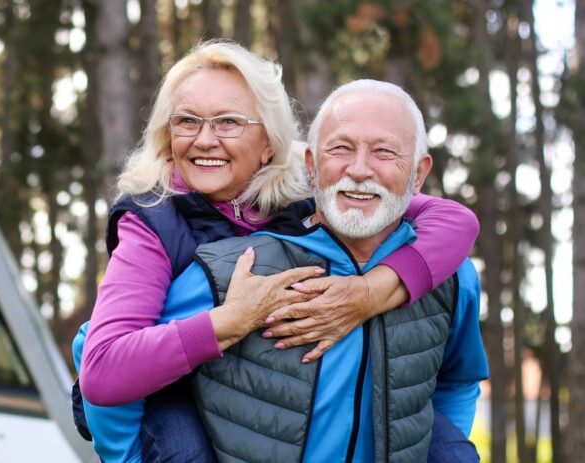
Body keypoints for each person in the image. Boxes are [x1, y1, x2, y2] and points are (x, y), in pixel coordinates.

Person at [72, 41, 479, 462]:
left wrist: (370, 293)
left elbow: (455, 222)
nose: (206, 139)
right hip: (161, 395)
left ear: (269, 143)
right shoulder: (154, 220)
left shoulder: (300, 201)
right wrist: (228, 322)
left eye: (229, 122)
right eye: (187, 121)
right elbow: (97, 359)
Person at [178, 79, 489, 462]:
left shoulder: (454, 277)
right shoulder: (233, 270)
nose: (359, 170)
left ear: (419, 173)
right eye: (340, 148)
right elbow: (101, 357)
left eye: (384, 152)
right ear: (311, 164)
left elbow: (457, 382)